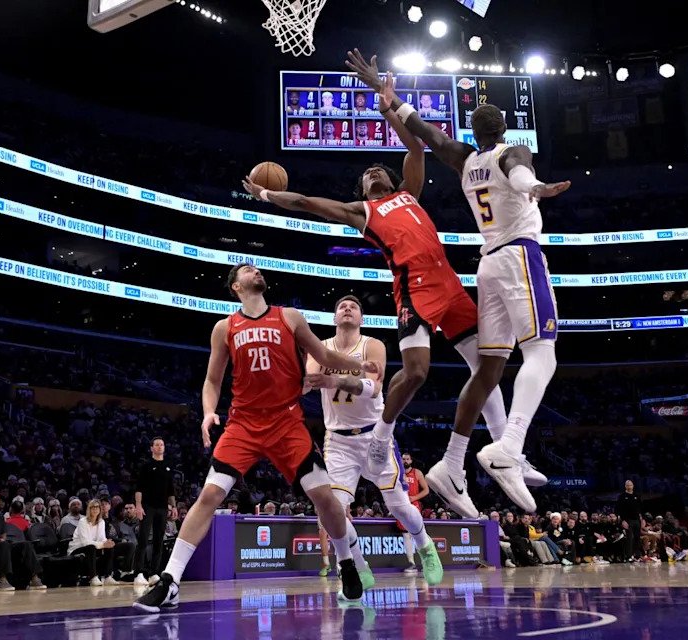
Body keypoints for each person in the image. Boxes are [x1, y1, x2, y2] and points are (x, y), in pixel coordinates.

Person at [242, 76, 544, 521]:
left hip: (449, 285)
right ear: (363, 191)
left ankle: (503, 455)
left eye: (378, 168)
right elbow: (306, 201)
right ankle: (384, 436)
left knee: (489, 366)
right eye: (367, 175)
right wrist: (266, 194)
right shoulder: (363, 212)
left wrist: (388, 108)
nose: (374, 172)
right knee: (417, 373)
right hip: (413, 289)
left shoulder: (409, 193)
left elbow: (418, 148)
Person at [346, 50, 566, 514]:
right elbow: (520, 173)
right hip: (514, 256)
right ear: (503, 129)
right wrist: (535, 188)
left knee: (488, 369)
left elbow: (424, 136)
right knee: (542, 352)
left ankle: (453, 462)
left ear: (475, 130)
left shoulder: (464, 159)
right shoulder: (512, 152)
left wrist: (389, 101)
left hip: (481, 268)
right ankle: (508, 446)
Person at [135, 264, 380, 612]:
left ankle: (346, 564)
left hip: (287, 421)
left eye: (257, 268)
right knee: (209, 495)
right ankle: (170, 580)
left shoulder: (289, 316)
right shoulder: (225, 328)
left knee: (325, 498)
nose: (257, 271)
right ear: (236, 286)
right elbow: (212, 381)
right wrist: (208, 412)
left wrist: (359, 367)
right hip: (244, 424)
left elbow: (323, 356)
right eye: (248, 270)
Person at [304, 296, 443, 585]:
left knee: (401, 507)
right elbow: (309, 382)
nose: (347, 308)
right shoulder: (321, 348)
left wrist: (337, 379)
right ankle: (357, 567)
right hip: (338, 441)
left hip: (374, 435)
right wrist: (326, 375)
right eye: (341, 306)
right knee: (332, 514)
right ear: (333, 318)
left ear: (361, 319)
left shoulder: (372, 344)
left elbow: (374, 387)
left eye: (353, 307)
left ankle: (425, 547)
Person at [134, 436, 175, 586]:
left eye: (161, 445)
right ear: (151, 448)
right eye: (156, 445)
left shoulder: (168, 466)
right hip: (147, 506)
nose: (159, 447)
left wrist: (174, 506)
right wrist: (138, 506)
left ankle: (154, 573)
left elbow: (171, 490)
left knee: (159, 540)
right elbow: (139, 488)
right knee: (144, 539)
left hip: (163, 507)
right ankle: (138, 572)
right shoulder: (146, 466)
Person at [69, 499, 117, 586]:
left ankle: (108, 576)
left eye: (97, 507)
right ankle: (93, 577)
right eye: (93, 507)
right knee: (91, 547)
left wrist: (107, 542)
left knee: (109, 547)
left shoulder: (101, 522)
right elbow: (85, 542)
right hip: (77, 548)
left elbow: (102, 538)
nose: (95, 509)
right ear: (89, 509)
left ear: (100, 509)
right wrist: (103, 544)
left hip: (93, 547)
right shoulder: (83, 521)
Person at [397, 452, 429, 574]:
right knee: (405, 534)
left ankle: (425, 561)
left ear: (411, 461)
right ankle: (411, 563)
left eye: (407, 459)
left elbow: (426, 490)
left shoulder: (417, 473)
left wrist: (414, 497)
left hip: (413, 505)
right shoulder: (398, 473)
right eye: (403, 459)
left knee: (417, 534)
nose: (405, 461)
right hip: (401, 506)